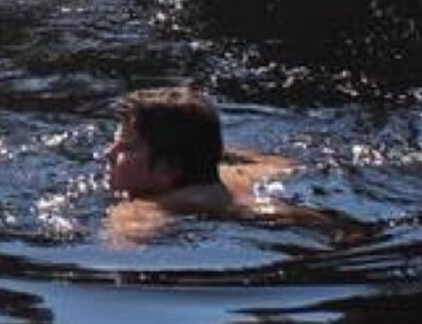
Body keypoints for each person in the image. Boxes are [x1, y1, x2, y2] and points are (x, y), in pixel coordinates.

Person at [103, 85, 299, 243]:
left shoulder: (142, 210)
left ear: (168, 168)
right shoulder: (236, 174)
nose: (109, 153)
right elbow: (287, 165)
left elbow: (123, 244)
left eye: (127, 148)